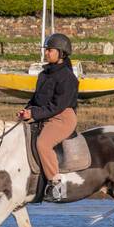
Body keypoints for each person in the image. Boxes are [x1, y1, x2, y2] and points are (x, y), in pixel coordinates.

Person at [18, 33, 79, 201]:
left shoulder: (68, 77)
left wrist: (35, 113)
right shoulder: (44, 74)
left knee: (42, 143)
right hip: (45, 114)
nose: (46, 53)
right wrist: (26, 111)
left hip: (62, 117)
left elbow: (58, 106)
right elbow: (37, 98)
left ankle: (56, 185)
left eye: (49, 50)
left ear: (61, 53)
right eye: (46, 50)